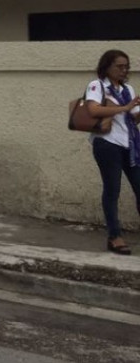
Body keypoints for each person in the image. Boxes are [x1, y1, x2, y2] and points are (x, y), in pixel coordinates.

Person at [85, 49, 140, 255]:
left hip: (130, 144)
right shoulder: (97, 85)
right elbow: (93, 110)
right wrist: (125, 107)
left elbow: (132, 118)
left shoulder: (128, 89)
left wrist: (134, 110)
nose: (124, 70)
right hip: (107, 144)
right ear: (107, 66)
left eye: (126, 66)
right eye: (119, 66)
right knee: (112, 189)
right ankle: (114, 236)